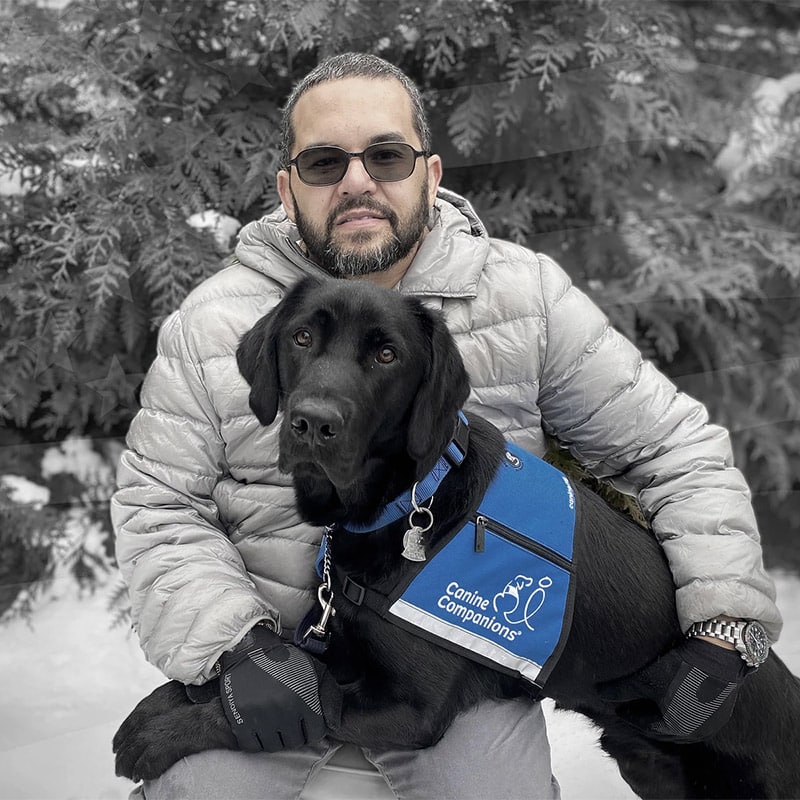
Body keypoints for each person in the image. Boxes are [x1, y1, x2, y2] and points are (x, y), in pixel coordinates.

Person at [111, 51, 782, 799]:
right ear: (288, 185)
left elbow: (674, 449)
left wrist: (725, 621)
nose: (357, 182)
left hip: (465, 666)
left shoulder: (525, 294)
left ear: (429, 174)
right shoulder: (211, 321)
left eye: (386, 156)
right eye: (325, 162)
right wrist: (234, 649)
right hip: (273, 658)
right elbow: (158, 508)